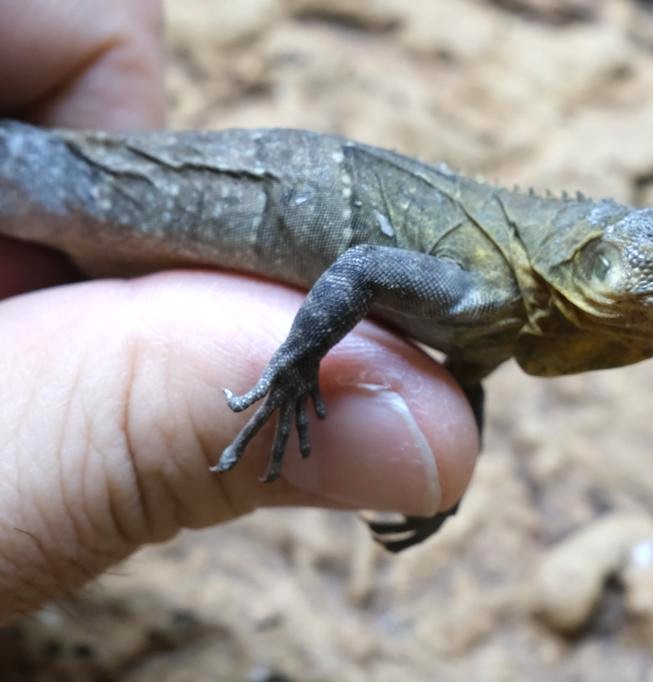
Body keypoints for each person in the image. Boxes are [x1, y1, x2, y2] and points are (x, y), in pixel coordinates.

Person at [0, 0, 478, 622]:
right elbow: (363, 271)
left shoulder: (495, 314)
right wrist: (295, 367)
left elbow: (468, 370)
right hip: (55, 176)